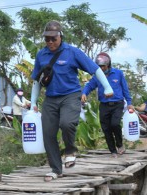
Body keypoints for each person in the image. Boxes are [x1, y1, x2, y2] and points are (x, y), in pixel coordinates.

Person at [30, 20, 113, 182]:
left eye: (53, 39)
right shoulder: (41, 54)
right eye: (47, 39)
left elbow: (95, 69)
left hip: (71, 96)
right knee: (47, 133)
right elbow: (36, 80)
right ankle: (56, 169)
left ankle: (70, 151)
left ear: (61, 36)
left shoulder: (72, 52)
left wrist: (107, 87)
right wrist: (33, 102)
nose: (50, 42)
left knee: (67, 123)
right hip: (50, 99)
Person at [81, 52, 134, 158]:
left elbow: (125, 89)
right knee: (106, 128)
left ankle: (120, 145)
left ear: (108, 65)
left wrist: (129, 103)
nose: (101, 68)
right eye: (99, 66)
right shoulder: (97, 76)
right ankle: (113, 151)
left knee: (115, 124)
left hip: (117, 104)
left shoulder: (118, 73)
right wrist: (84, 93)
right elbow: (89, 85)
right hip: (104, 105)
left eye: (103, 66)